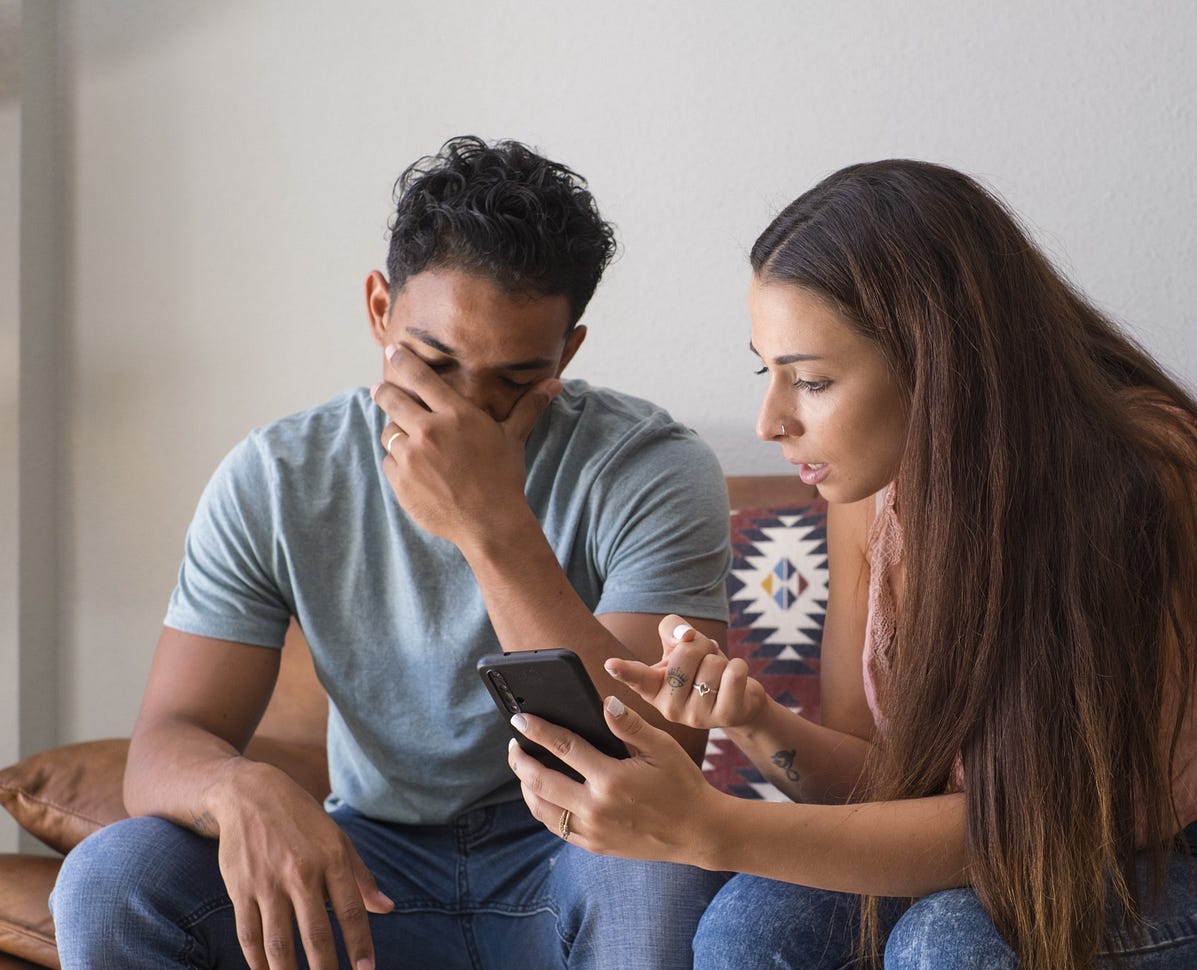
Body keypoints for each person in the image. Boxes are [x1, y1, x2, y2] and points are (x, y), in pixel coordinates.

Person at [501, 160, 1197, 969]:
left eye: (812, 381)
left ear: (939, 360)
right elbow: (885, 798)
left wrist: (710, 828)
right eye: (768, 371)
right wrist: (755, 723)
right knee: (749, 930)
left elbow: (1035, 828)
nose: (770, 421)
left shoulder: (1148, 469)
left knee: (950, 948)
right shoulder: (868, 491)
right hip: (996, 858)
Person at [51, 136, 732, 970]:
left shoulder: (653, 467)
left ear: (570, 351)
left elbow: (657, 756)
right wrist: (239, 786)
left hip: (575, 850)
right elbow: (167, 739)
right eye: (436, 362)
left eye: (515, 380)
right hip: (366, 867)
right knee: (108, 881)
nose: (465, 412)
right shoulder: (278, 476)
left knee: (660, 875)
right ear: (379, 308)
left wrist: (490, 525)